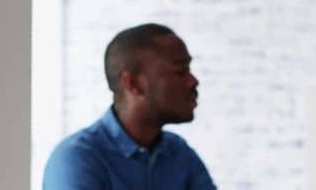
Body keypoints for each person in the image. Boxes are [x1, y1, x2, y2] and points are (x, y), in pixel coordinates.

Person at [43, 23, 216, 189]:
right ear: (133, 83)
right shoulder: (76, 159)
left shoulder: (179, 153)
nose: (193, 81)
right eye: (180, 72)